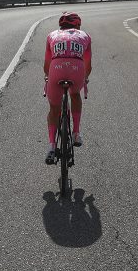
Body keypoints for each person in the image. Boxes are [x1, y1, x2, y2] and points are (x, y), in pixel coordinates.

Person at [43, 11, 92, 164]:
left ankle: (51, 146)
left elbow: (46, 65)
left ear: (60, 25)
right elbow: (88, 63)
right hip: (77, 70)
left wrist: (47, 76)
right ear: (78, 25)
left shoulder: (51, 35)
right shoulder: (85, 36)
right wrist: (85, 78)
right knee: (75, 94)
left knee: (54, 109)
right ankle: (76, 133)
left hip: (56, 70)